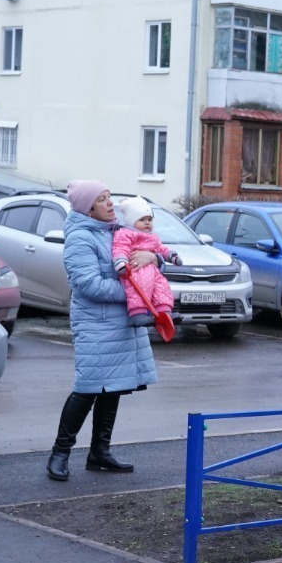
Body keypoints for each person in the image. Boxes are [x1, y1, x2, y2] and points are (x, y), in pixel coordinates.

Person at [46, 182, 161, 481]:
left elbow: (149, 252)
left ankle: (100, 452)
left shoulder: (115, 230)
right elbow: (89, 285)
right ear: (88, 208)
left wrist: (154, 259)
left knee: (114, 387)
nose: (110, 203)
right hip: (95, 324)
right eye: (101, 199)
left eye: (109, 197)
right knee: (88, 388)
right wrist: (136, 291)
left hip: (120, 323)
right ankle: (60, 453)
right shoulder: (80, 238)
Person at [112, 197, 179, 326]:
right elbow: (120, 247)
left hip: (153, 270)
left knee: (162, 286)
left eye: (149, 219)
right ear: (132, 221)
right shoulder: (125, 233)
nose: (147, 223)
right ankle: (137, 313)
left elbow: (160, 248)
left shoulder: (152, 237)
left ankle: (164, 311)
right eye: (142, 220)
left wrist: (171, 256)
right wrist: (120, 261)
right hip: (135, 269)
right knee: (138, 288)